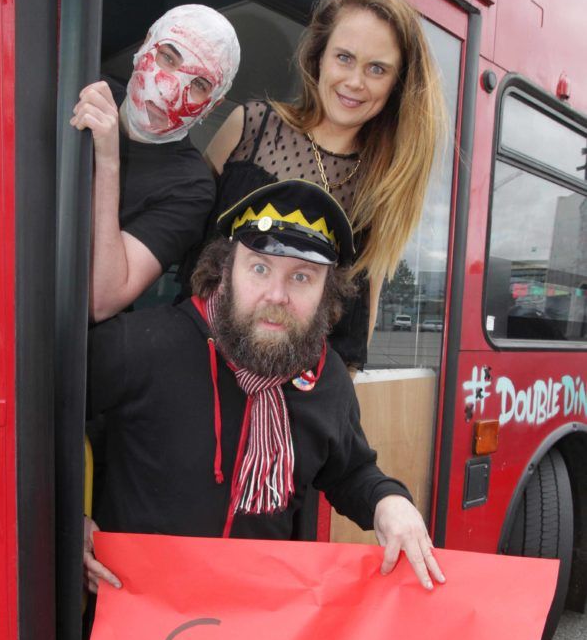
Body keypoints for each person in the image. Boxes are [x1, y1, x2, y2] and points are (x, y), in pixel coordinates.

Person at [83, 179, 445, 594]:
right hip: (138, 616)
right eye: (259, 268)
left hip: (256, 630)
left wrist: (388, 502)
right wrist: (67, 524)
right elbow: (35, 432)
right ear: (225, 271)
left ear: (327, 294)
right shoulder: (140, 345)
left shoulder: (325, 377)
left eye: (302, 277)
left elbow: (350, 469)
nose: (277, 295)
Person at [177, 0, 444, 369]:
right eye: (344, 58)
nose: (355, 81)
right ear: (320, 57)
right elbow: (181, 239)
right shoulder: (249, 127)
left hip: (287, 396)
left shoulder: (379, 187)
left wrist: (329, 412)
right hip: (192, 361)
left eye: (377, 69)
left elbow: (351, 338)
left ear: (396, 85)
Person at [70, 4, 240, 321]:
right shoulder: (81, 85)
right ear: (147, 43)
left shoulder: (190, 186)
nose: (169, 89)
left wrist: (107, 162)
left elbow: (101, 299)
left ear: (213, 105)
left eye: (199, 85)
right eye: (168, 57)